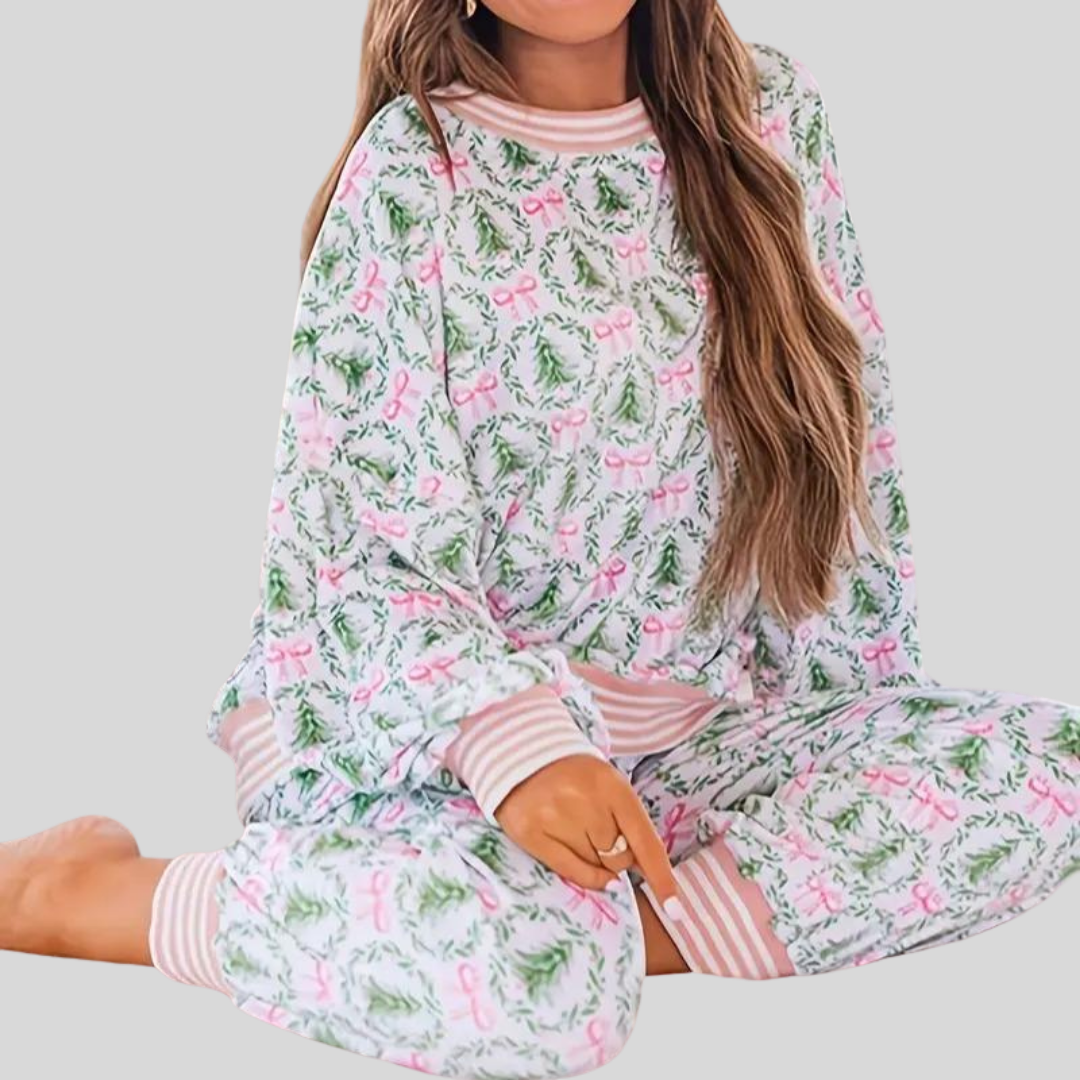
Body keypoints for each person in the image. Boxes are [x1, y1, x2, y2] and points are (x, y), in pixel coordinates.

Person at [3, 1, 1077, 1076]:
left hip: (690, 743)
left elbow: (845, 444)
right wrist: (514, 748)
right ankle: (102, 896)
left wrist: (856, 745)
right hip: (422, 745)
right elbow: (356, 545)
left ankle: (566, 931)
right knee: (548, 998)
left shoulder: (771, 116)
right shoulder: (414, 170)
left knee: (1049, 771)